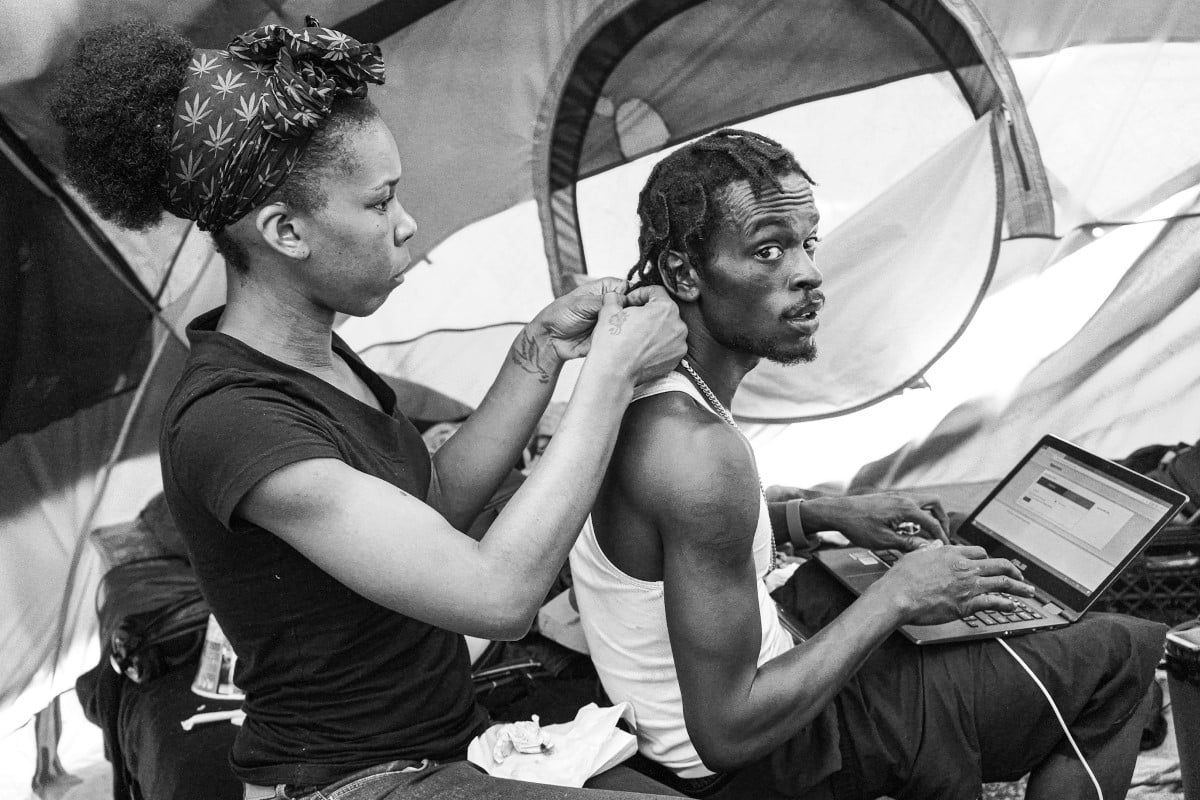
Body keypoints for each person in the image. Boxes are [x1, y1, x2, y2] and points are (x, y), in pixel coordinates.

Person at [52, 18, 689, 800]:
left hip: (441, 745)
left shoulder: (319, 359)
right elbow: (497, 596)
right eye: (379, 202)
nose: (406, 223)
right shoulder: (231, 419)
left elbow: (431, 506)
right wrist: (612, 379)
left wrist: (539, 353)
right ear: (286, 231)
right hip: (352, 782)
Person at [569, 128, 1166, 800]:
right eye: (768, 250)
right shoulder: (697, 451)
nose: (807, 273)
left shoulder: (646, 388)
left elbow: (673, 538)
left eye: (807, 243)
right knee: (1121, 649)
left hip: (696, 699)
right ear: (684, 273)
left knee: (930, 605)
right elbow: (729, 731)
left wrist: (820, 513)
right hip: (754, 762)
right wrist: (898, 595)